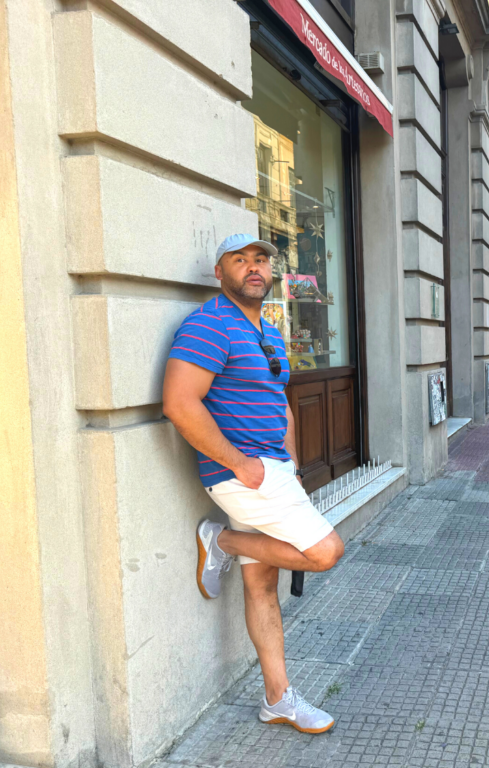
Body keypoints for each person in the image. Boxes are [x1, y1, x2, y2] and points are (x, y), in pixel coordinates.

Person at [163, 234, 343, 735]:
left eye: (260, 259)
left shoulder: (268, 330)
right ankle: (218, 540)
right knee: (325, 551)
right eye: (239, 261)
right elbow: (180, 403)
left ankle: (276, 699)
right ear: (220, 273)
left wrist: (290, 457)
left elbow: (277, 395)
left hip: (272, 469)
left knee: (262, 582)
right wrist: (241, 464)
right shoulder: (208, 324)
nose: (253, 268)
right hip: (243, 474)